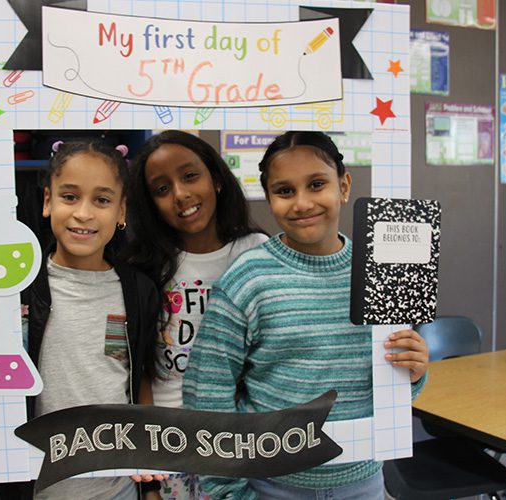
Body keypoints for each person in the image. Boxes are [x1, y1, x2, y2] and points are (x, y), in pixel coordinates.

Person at [182, 131, 429, 500]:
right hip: (270, 485)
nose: (302, 203)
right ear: (268, 198)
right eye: (284, 191)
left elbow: (396, 380)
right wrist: (230, 492)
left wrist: (414, 372)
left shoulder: (382, 270)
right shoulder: (249, 277)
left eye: (317, 184)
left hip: (363, 481)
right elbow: (207, 391)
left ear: (343, 186)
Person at [0, 139, 160, 500]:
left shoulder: (139, 290)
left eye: (102, 200)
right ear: (48, 202)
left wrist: (151, 484)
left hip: (117, 488)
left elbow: (139, 382)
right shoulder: (14, 288)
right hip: (35, 488)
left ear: (122, 211)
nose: (84, 214)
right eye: (70, 197)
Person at [121, 130, 267, 499]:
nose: (181, 195)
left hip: (249, 444)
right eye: (161, 189)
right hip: (174, 444)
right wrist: (151, 477)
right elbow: (141, 373)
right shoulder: (143, 269)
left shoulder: (256, 253)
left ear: (216, 179)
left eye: (190, 176)